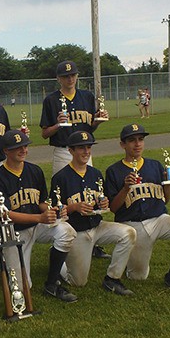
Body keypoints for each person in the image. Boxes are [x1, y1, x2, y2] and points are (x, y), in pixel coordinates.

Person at [105, 124, 170, 294]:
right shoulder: (114, 171)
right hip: (132, 224)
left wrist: (168, 184)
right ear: (122, 145)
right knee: (138, 276)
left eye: (140, 139)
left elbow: (166, 199)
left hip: (159, 219)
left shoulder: (155, 165)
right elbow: (113, 208)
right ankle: (127, 255)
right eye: (132, 140)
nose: (137, 144)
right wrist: (125, 188)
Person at [0, 130, 78, 302]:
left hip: (38, 226)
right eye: (17, 148)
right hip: (13, 232)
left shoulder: (34, 171)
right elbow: (6, 214)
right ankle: (11, 265)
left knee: (66, 231)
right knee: (21, 288)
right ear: (6, 151)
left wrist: (54, 210)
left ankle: (52, 283)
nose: (23, 150)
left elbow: (42, 203)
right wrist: (40, 218)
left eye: (25, 146)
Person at [40, 60, 110, 259]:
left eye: (73, 75)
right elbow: (45, 133)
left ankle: (92, 240)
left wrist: (97, 121)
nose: (70, 79)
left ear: (77, 76)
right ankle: (63, 239)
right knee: (63, 198)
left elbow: (90, 128)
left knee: (90, 194)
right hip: (63, 151)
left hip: (85, 152)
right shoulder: (51, 100)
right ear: (58, 79)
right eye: (65, 76)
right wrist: (58, 125)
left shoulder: (87, 97)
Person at [51, 131, 137, 295]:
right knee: (78, 282)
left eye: (89, 147)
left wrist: (103, 203)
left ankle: (112, 279)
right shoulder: (61, 177)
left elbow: (103, 202)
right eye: (81, 148)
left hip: (98, 226)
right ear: (70, 150)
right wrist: (74, 208)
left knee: (128, 233)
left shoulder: (95, 173)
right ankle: (60, 258)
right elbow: (55, 211)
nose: (86, 152)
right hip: (77, 231)